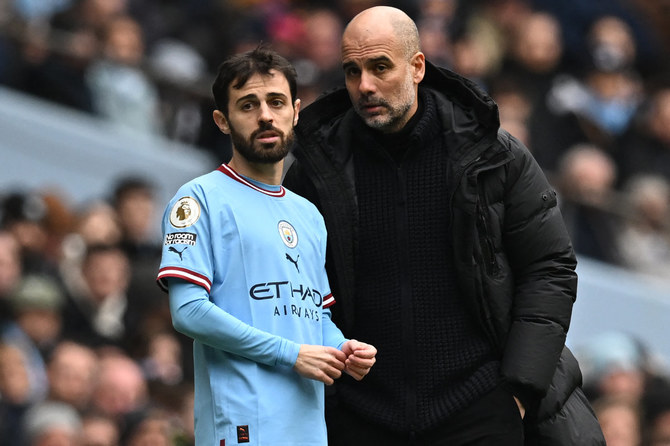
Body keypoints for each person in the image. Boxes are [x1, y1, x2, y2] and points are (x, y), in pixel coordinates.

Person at [283, 6, 604, 445]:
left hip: (479, 410)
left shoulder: (494, 155)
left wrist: (518, 391)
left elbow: (549, 268)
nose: (365, 85)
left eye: (380, 67)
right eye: (352, 71)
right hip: (360, 418)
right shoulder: (316, 170)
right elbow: (293, 287)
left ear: (417, 67)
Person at [156, 45, 377, 446]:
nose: (265, 115)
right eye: (248, 105)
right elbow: (188, 312)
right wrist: (290, 354)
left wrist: (342, 348)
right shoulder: (200, 198)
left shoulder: (309, 215)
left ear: (295, 111)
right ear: (222, 121)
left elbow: (313, 316)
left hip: (308, 429)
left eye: (276, 102)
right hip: (244, 425)